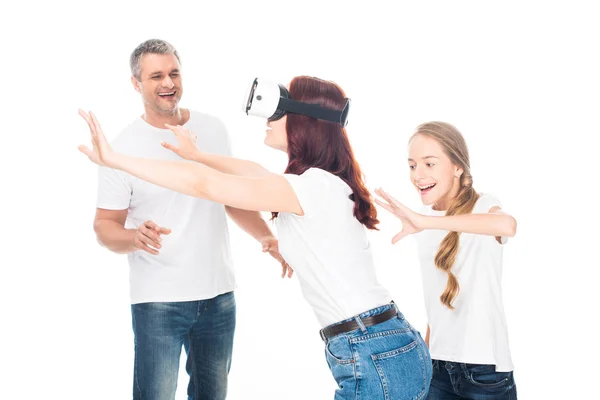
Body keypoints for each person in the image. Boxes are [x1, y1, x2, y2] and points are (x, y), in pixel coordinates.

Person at [78, 75, 432, 399]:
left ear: (302, 121)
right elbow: (253, 172)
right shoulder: (317, 182)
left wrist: (117, 160)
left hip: (373, 351)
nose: (269, 118)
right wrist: (199, 155)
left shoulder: (313, 187)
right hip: (377, 346)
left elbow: (205, 185)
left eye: (279, 111)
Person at [91, 39, 290, 400]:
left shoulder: (212, 129)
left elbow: (231, 197)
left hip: (218, 297)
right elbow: (104, 227)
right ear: (136, 84)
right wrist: (134, 237)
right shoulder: (120, 149)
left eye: (174, 73)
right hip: (158, 302)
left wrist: (266, 237)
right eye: (156, 76)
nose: (168, 83)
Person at [374, 121, 518, 399]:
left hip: (485, 370)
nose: (418, 175)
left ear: (457, 167)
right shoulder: (422, 222)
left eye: (430, 164)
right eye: (413, 165)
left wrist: (427, 222)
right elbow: (439, 300)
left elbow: (507, 226)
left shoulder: (483, 206)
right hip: (437, 367)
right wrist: (427, 358)